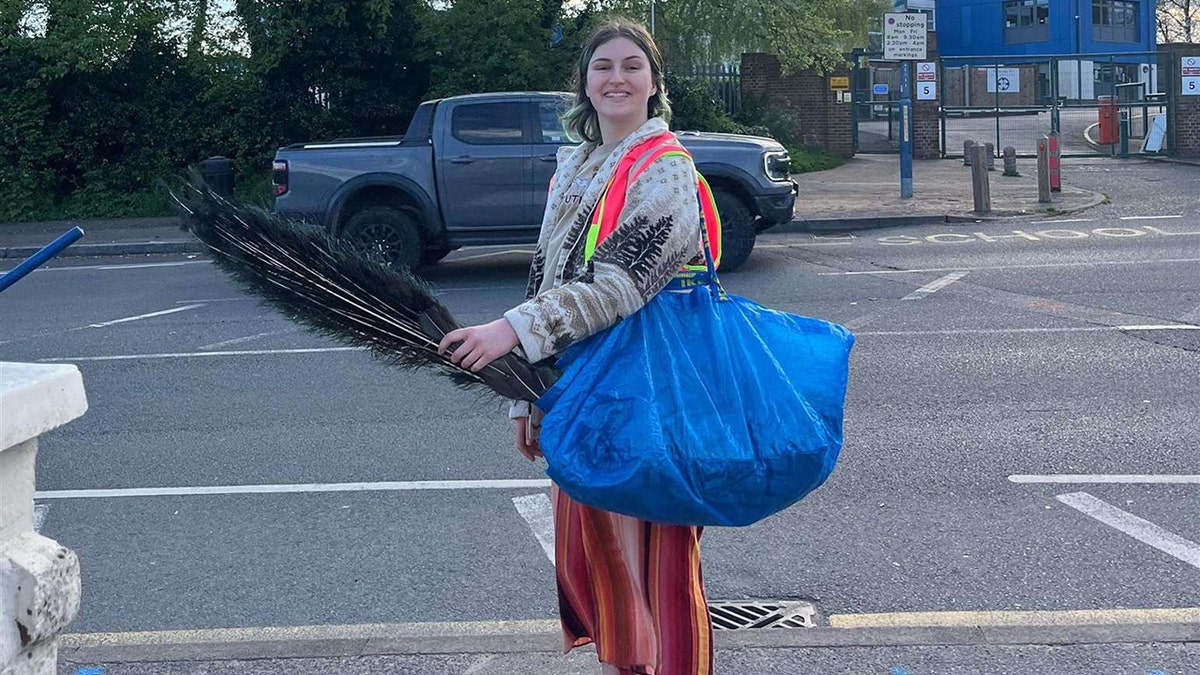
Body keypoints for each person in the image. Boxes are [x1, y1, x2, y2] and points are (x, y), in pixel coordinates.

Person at [438, 18, 713, 675]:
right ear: (584, 85)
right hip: (585, 397)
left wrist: (511, 329)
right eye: (602, 67)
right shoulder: (579, 167)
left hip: (649, 402)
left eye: (631, 66)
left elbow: (619, 282)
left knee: (661, 574)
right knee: (608, 572)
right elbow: (550, 275)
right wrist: (526, 400)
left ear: (654, 84)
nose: (616, 77)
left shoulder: (667, 170)